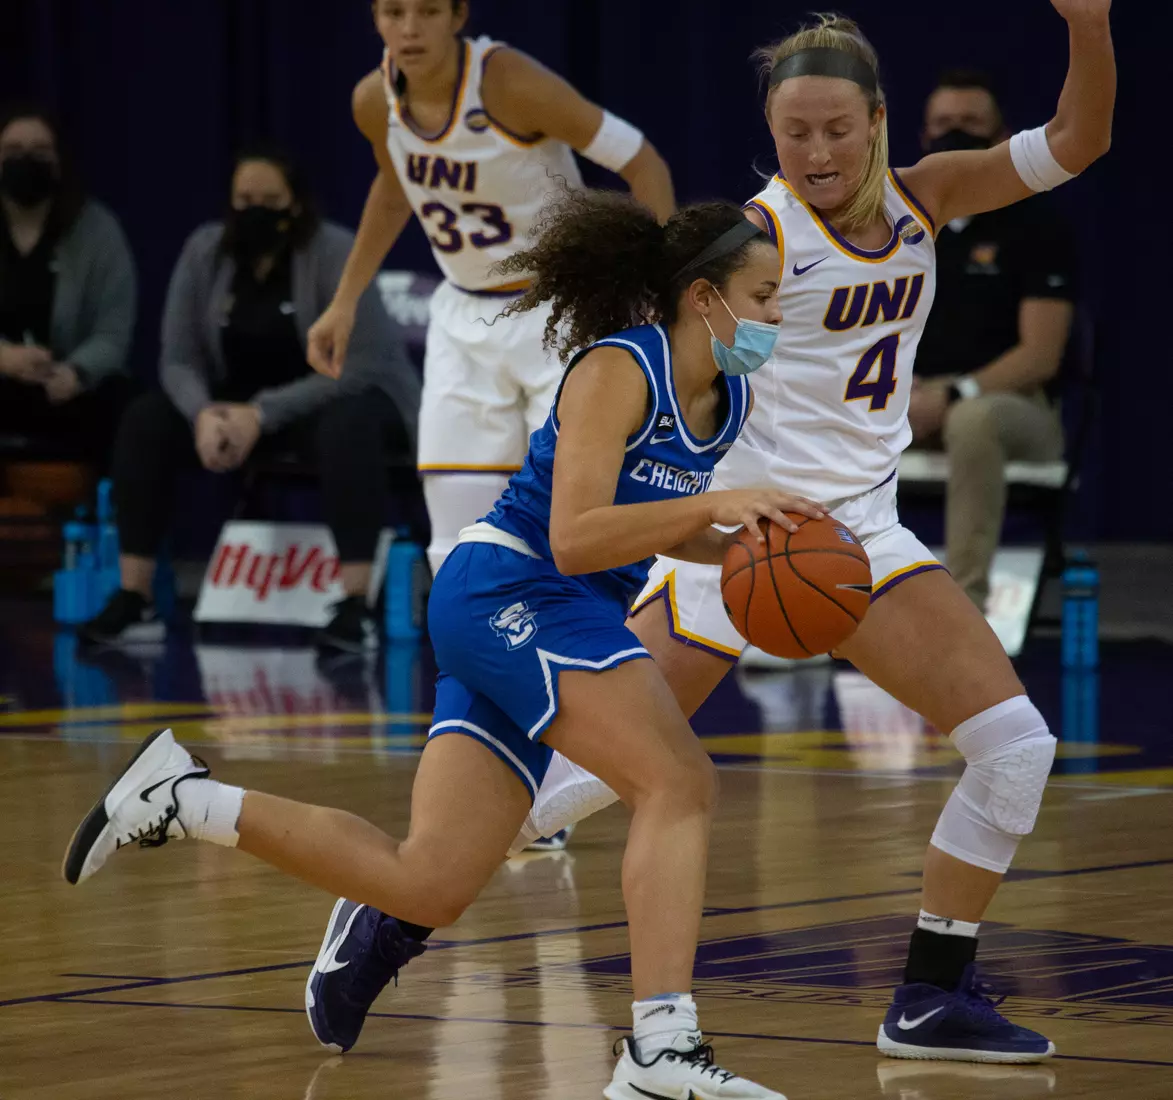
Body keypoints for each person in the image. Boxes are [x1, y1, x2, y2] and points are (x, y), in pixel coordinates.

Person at [326, 0, 1116, 1066]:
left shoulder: (929, 195)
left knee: (1016, 747)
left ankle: (931, 994)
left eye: (837, 129)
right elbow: (655, 362)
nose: (817, 151)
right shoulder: (760, 239)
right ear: (770, 131)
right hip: (744, 537)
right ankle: (391, 913)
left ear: (879, 120)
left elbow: (1077, 141)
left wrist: (1089, 26)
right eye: (795, 132)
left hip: (861, 532)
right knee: (570, 790)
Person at [64, 190, 818, 1100]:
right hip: (513, 589)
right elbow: (576, 536)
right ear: (704, 297)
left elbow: (647, 525)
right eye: (764, 296)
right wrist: (714, 506)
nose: (776, 317)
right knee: (679, 781)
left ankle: (183, 800)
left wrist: (744, 549)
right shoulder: (621, 368)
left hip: (554, 607)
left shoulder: (726, 398)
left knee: (426, 883)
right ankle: (660, 1050)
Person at [306, 0, 675, 586]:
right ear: (374, 18)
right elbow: (396, 189)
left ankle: (601, 642)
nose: (409, 29)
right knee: (453, 542)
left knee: (575, 529)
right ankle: (467, 648)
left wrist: (658, 286)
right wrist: (344, 300)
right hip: (463, 316)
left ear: (458, 16)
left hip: (561, 311)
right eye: (393, 12)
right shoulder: (373, 102)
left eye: (427, 12)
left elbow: (642, 161)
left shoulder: (508, 82)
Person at [78, 147, 421, 653]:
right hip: (237, 410)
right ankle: (136, 596)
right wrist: (203, 415)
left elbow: (358, 366)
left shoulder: (334, 250)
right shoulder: (204, 251)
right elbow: (177, 358)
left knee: (348, 425)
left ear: (296, 204)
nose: (255, 211)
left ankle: (355, 605)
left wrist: (261, 414)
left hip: (332, 398)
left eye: (270, 201)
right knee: (145, 418)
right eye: (244, 200)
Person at [910, 69, 1077, 610]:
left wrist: (954, 394)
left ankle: (963, 610)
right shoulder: (899, 229)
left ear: (1002, 137)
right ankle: (831, 595)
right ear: (924, 138)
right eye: (943, 124)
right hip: (912, 399)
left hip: (1014, 409)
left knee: (972, 419)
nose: (955, 134)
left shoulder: (1037, 227)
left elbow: (1040, 356)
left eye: (970, 123)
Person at [0, 103, 136, 480]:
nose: (26, 160)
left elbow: (113, 334)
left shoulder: (98, 230)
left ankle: (113, 516)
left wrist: (76, 371)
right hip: (3, 378)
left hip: (71, 389)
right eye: (13, 151)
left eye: (40, 151)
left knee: (131, 407)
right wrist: (5, 358)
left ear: (59, 162)